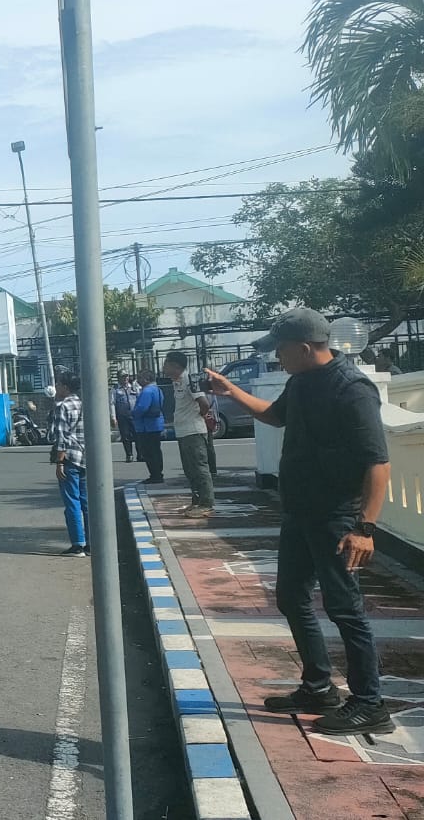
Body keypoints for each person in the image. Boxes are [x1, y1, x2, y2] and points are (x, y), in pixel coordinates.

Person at [207, 308, 393, 736]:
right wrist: (231, 390)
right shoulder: (301, 381)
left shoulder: (352, 389)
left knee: (345, 609)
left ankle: (369, 703)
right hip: (300, 513)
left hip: (336, 517)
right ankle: (318, 688)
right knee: (292, 597)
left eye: (281, 350)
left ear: (305, 348)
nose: (277, 357)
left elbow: (378, 463)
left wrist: (365, 528)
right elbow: (275, 415)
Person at [163, 351, 215, 517]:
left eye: (166, 364)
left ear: (175, 365)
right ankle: (196, 501)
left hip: (194, 431)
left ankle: (207, 503)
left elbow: (204, 403)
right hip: (183, 432)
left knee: (199, 468)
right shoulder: (176, 382)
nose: (164, 367)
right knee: (190, 470)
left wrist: (199, 416)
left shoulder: (190, 380)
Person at [49, 368, 89, 556]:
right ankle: (91, 542)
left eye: (58, 384)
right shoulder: (83, 404)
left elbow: (61, 437)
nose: (56, 387)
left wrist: (59, 463)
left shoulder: (63, 406)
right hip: (85, 458)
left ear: (65, 387)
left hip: (70, 458)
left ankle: (77, 544)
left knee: (72, 502)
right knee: (85, 502)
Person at [131, 369, 165, 483]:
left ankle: (155, 475)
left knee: (148, 452)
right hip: (156, 424)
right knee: (156, 450)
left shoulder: (147, 391)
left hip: (146, 426)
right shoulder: (158, 390)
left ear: (146, 379)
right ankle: (158, 473)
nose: (138, 380)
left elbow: (142, 408)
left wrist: (133, 414)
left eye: (140, 378)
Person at [111, 374, 139, 463]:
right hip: (122, 416)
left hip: (134, 415)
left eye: (126, 376)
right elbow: (112, 403)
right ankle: (129, 455)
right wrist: (113, 417)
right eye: (123, 377)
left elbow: (139, 397)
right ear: (119, 378)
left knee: (138, 435)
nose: (125, 378)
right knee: (125, 436)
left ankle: (140, 454)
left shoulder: (134, 387)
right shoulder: (115, 389)